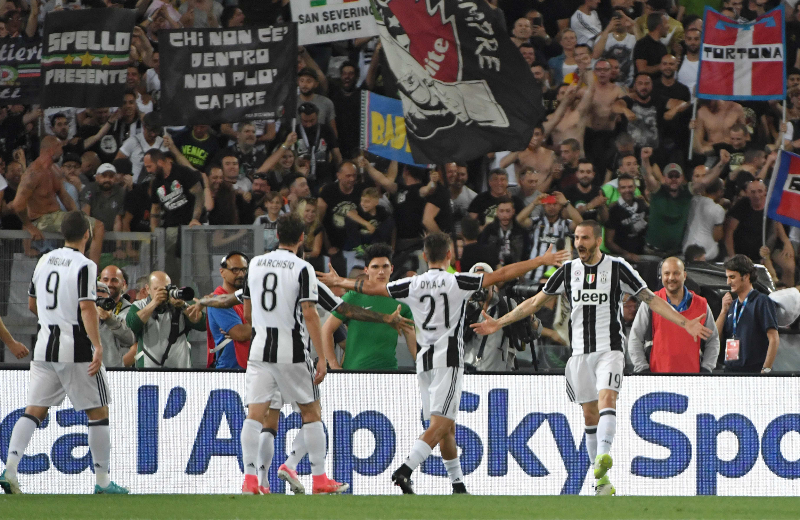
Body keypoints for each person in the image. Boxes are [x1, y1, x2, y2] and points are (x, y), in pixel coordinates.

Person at [317, 232, 570, 495]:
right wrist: (540, 260)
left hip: (424, 362)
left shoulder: (411, 284)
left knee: (446, 427)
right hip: (448, 360)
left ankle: (458, 485)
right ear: (449, 255)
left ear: (425, 256)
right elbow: (502, 274)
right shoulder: (457, 281)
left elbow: (371, 288)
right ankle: (405, 469)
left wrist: (340, 281)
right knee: (441, 423)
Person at [472, 220, 711, 496]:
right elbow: (535, 302)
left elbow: (650, 299)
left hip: (610, 349)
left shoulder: (618, 267)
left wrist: (684, 322)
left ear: (598, 241)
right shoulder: (567, 271)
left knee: (607, 399)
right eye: (576, 238)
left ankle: (603, 456)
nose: (579, 243)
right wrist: (499, 322)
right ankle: (601, 481)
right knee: (589, 415)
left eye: (585, 238)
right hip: (579, 354)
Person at [0, 211, 128, 495]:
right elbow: (86, 307)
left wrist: (52, 318)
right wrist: (97, 345)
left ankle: (9, 470)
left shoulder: (45, 259)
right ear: (87, 235)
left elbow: (32, 304)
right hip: (75, 347)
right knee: (98, 411)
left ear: (62, 233)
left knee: (34, 410)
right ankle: (103, 482)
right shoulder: (85, 264)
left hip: (43, 346)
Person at [241, 214, 348, 495]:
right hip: (292, 351)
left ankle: (250, 480)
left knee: (255, 416)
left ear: (276, 235)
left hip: (259, 350)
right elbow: (310, 313)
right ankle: (320, 479)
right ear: (302, 238)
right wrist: (322, 357)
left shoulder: (255, 264)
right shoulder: (303, 268)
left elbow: (248, 313)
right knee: (312, 413)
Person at [10, 136, 105, 265]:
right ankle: (92, 272)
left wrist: (77, 215)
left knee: (90, 229)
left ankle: (83, 267)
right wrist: (29, 226)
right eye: (60, 147)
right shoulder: (33, 173)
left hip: (57, 215)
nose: (62, 151)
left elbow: (64, 197)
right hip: (41, 219)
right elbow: (17, 205)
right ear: (51, 149)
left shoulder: (54, 170)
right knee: (98, 226)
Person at [322, 244, 415, 370]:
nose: (381, 272)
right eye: (375, 267)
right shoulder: (353, 296)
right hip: (354, 371)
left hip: (389, 372)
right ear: (366, 270)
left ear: (392, 269)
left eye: (385, 266)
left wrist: (425, 368)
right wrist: (333, 365)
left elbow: (412, 341)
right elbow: (326, 329)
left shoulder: (402, 300)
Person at [628, 257, 720, 373]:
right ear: (661, 276)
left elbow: (713, 341)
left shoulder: (702, 305)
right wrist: (642, 369)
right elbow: (635, 338)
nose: (671, 278)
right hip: (657, 378)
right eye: (667, 273)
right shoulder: (649, 304)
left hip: (693, 378)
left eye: (676, 273)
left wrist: (706, 368)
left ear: (684, 275)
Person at [126, 271, 206, 368]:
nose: (162, 293)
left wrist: (183, 306)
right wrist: (154, 303)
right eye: (157, 289)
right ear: (147, 289)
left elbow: (203, 324)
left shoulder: (181, 305)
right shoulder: (139, 306)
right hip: (148, 369)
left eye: (166, 289)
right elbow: (131, 326)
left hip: (180, 369)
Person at [716, 255, 779, 374]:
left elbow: (774, 338)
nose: (728, 282)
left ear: (746, 276)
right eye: (727, 277)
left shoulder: (762, 301)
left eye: (732, 277)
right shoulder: (731, 305)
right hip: (730, 371)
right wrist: (723, 311)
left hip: (753, 372)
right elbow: (715, 338)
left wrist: (766, 370)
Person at [463, 263, 529, 372]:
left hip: (497, 374)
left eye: (484, 280)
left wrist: (530, 317)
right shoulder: (462, 306)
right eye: (476, 281)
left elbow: (533, 333)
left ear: (492, 282)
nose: (481, 285)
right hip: (467, 373)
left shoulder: (507, 304)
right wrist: (464, 303)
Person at [207, 252, 251, 370]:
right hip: (229, 371)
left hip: (251, 368)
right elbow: (240, 334)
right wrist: (267, 326)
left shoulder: (249, 298)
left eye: (244, 270)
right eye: (235, 270)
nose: (241, 274)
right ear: (222, 272)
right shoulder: (217, 302)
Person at [643, 157, 693, 257]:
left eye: (677, 176)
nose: (674, 179)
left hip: (676, 252)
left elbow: (704, 182)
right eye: (670, 176)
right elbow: (647, 176)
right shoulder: (657, 191)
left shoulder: (687, 193)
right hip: (652, 251)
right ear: (664, 178)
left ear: (682, 178)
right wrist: (645, 159)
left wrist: (722, 163)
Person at [603, 174, 648, 262]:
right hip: (620, 258)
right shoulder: (614, 210)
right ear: (619, 190)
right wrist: (626, 254)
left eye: (630, 187)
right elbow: (608, 242)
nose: (627, 190)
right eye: (623, 187)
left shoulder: (642, 204)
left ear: (635, 188)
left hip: (642, 254)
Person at [683, 178, 725, 261]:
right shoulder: (719, 210)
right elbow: (717, 236)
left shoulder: (693, 200)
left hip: (687, 247)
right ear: (719, 191)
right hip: (707, 252)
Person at [96, 282, 136, 368]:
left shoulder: (116, 320)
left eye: (104, 300)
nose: (100, 305)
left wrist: (110, 320)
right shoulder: (79, 320)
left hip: (111, 370)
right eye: (97, 300)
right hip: (87, 369)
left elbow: (130, 340)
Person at [633, 13, 668, 77]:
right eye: (666, 24)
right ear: (659, 27)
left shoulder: (663, 47)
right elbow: (642, 69)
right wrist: (661, 66)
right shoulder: (642, 44)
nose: (668, 26)